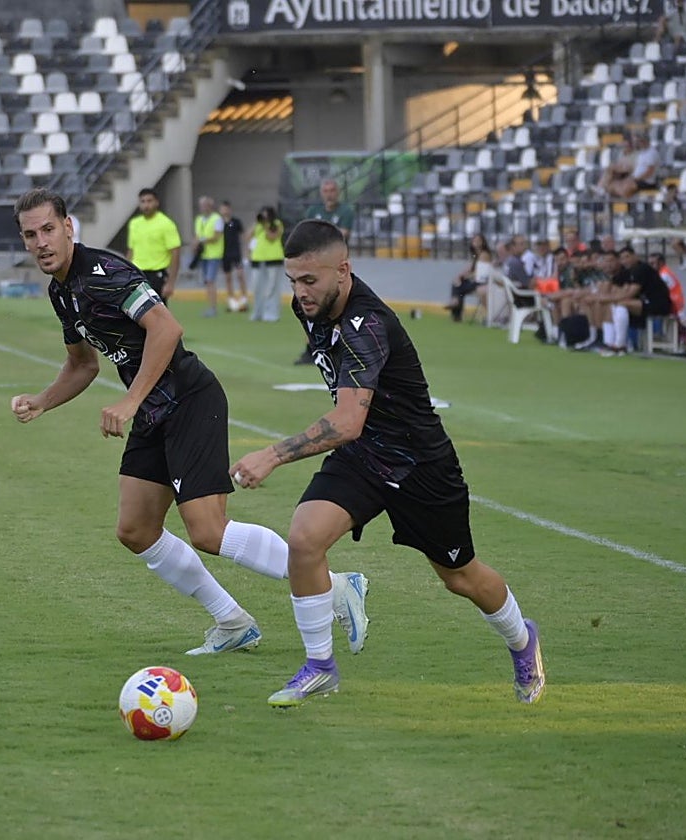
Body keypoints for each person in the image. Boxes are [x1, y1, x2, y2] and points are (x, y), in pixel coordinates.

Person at [9, 189, 369, 657]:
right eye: (30, 235)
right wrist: (42, 401)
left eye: (48, 229)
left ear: (68, 227)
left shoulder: (103, 274)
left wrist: (130, 401)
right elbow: (82, 365)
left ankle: (336, 585)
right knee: (136, 529)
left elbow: (166, 328)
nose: (41, 242)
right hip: (154, 411)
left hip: (189, 400)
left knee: (207, 530)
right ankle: (232, 621)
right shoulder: (62, 292)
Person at [230, 219, 544, 708]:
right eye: (292, 280)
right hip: (364, 457)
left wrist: (271, 456)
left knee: (460, 577)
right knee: (304, 540)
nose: (300, 291)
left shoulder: (368, 324)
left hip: (420, 465)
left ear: (343, 270)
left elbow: (347, 421)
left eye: (310, 280)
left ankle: (523, 640)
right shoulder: (308, 308)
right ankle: (320, 667)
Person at [296, 178, 353, 364]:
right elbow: (306, 234)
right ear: (322, 193)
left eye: (332, 190)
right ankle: (312, 348)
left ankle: (338, 348)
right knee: (311, 307)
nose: (329, 194)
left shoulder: (345, 211)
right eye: (326, 191)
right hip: (315, 268)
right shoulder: (313, 211)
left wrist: (318, 238)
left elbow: (341, 236)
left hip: (337, 269)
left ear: (338, 192)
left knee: (338, 308)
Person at [125, 187, 181, 303]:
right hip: (137, 275)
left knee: (158, 312)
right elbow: (131, 251)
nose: (146, 205)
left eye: (149, 201)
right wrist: (125, 274)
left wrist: (170, 283)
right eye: (143, 201)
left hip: (157, 275)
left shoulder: (166, 224)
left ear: (156, 202)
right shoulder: (134, 224)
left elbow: (175, 253)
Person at [248, 206, 285, 323]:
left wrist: (265, 225)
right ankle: (258, 312)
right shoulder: (258, 225)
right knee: (257, 287)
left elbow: (272, 237)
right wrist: (256, 223)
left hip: (273, 258)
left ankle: (271, 313)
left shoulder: (277, 224)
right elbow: (248, 236)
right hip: (258, 259)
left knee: (272, 287)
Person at [446, 233, 493, 322]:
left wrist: (463, 277)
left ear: (483, 242)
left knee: (459, 287)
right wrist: (460, 276)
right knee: (457, 284)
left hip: (481, 281)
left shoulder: (484, 255)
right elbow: (470, 268)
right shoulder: (476, 255)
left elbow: (479, 273)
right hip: (475, 280)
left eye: (478, 241)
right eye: (474, 241)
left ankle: (455, 304)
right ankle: (456, 310)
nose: (476, 243)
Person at [193, 196, 225, 318]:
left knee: (210, 280)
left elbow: (217, 236)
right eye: (201, 205)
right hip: (203, 255)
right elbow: (197, 235)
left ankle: (213, 307)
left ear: (210, 206)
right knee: (207, 281)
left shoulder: (217, 219)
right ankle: (210, 306)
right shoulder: (199, 219)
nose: (202, 208)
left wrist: (201, 240)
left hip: (214, 255)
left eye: (205, 205)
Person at [219, 200, 249, 313]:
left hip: (236, 253)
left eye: (226, 209)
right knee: (228, 277)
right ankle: (231, 300)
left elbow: (243, 236)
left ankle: (244, 299)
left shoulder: (235, 222)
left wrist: (246, 251)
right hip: (224, 253)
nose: (224, 211)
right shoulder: (219, 223)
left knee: (240, 275)